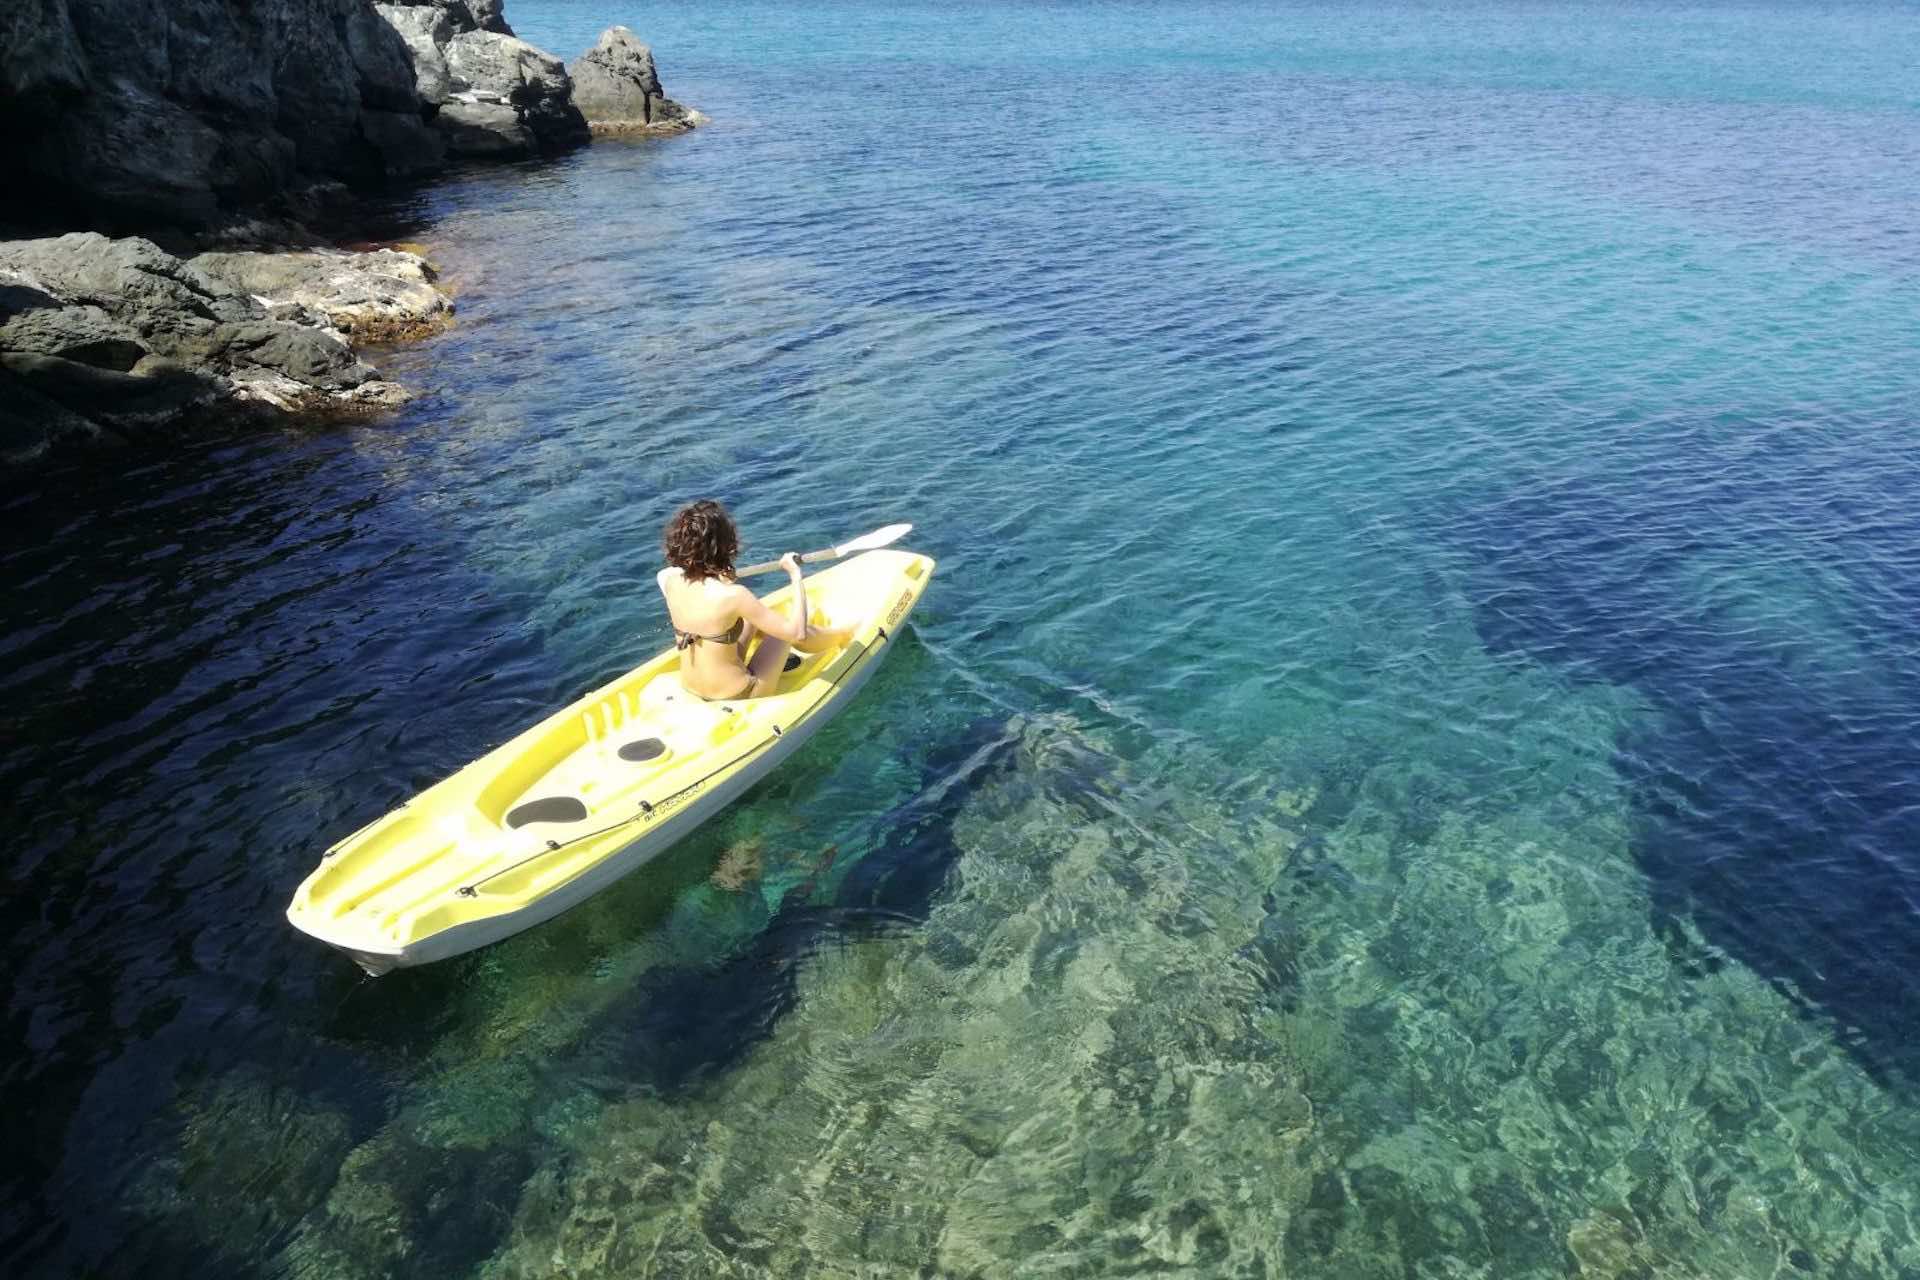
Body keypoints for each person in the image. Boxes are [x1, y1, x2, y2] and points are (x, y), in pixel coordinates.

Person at [656, 500, 854, 701]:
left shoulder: (670, 581)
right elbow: (798, 634)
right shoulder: (734, 595)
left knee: (750, 620)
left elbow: (691, 584)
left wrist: (718, 576)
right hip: (739, 695)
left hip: (692, 688)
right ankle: (843, 634)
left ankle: (822, 636)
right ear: (725, 545)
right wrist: (795, 574)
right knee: (785, 633)